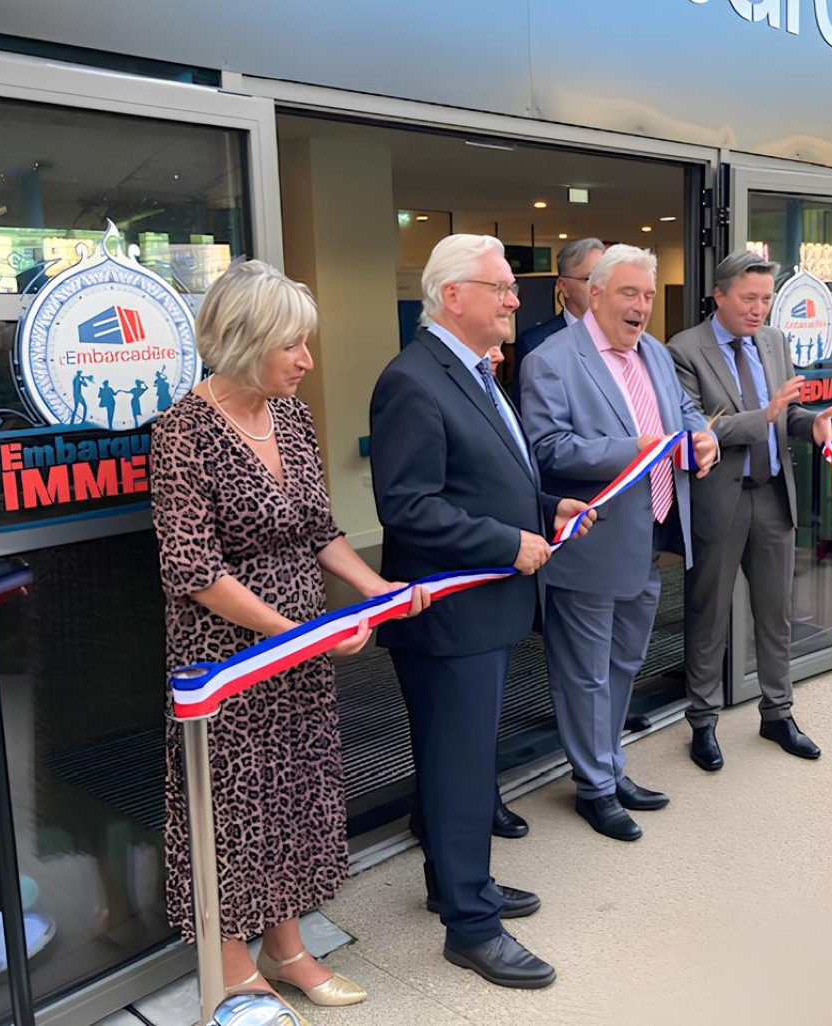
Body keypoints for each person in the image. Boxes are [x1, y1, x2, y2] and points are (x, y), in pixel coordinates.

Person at [152, 260, 430, 1010]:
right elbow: (194, 570)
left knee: (293, 793)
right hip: (226, 656)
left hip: (297, 647)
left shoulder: (294, 419)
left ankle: (288, 948)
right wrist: (298, 632)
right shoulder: (184, 432)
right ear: (245, 343)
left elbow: (317, 531)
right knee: (233, 806)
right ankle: (232, 961)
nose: (307, 361)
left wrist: (375, 589)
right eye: (293, 346)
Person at [369, 234, 594, 989]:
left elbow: (482, 479)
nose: (512, 301)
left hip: (483, 610)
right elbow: (406, 507)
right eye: (499, 287)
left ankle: (453, 884)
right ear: (452, 296)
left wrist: (542, 504)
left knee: (457, 763)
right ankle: (471, 926)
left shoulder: (469, 371)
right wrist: (509, 541)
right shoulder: (413, 379)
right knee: (461, 769)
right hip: (449, 619)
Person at [519, 245, 717, 842]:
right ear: (595, 294)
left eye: (650, 296)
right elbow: (547, 451)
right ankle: (594, 787)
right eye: (630, 294)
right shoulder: (551, 361)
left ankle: (610, 766)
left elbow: (684, 410)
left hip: (651, 537)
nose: (642, 307)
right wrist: (637, 448)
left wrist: (702, 435)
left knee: (625, 662)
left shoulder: (654, 352)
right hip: (590, 544)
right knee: (584, 674)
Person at [668, 252, 832, 772]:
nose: (759, 309)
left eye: (765, 299)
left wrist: (811, 425)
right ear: (719, 295)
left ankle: (777, 712)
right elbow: (701, 429)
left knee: (775, 611)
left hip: (772, 492)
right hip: (720, 498)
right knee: (708, 612)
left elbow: (787, 414)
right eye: (748, 298)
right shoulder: (683, 350)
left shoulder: (774, 342)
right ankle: (702, 721)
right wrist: (763, 415)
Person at [510, 237, 605, 407]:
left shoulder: (623, 338)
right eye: (589, 278)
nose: (600, 287)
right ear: (563, 286)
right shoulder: (535, 343)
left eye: (605, 278)